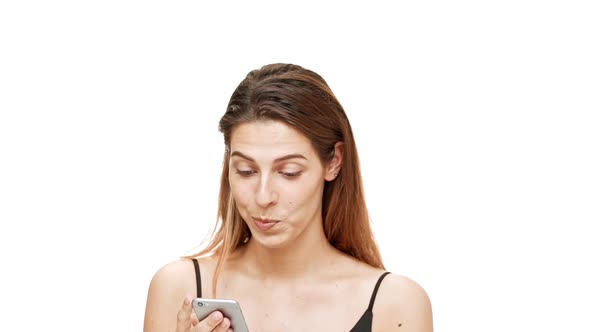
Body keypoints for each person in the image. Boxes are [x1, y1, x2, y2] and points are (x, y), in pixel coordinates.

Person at [143, 63, 433, 332]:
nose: (263, 196)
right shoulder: (178, 288)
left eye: (289, 172)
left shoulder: (397, 304)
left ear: (333, 161)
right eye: (246, 171)